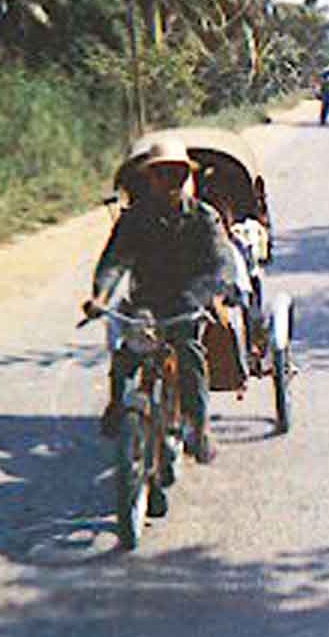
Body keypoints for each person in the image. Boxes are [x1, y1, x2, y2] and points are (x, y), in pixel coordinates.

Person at [82, 135, 236, 466]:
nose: (169, 181)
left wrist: (211, 295)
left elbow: (222, 263)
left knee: (191, 353)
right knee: (126, 355)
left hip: (189, 300)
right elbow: (115, 261)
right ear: (150, 177)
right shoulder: (135, 218)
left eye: (177, 174)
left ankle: (198, 426)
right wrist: (100, 296)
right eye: (161, 173)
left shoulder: (203, 217)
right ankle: (117, 406)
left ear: (187, 177)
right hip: (147, 300)